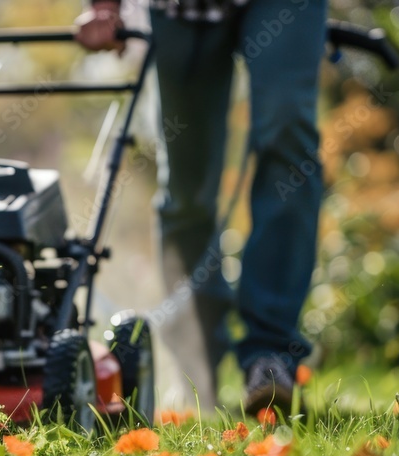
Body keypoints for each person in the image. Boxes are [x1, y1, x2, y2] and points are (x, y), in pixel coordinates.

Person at [75, 0, 326, 415]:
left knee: (287, 133)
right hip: (181, 9)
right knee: (187, 188)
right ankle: (195, 362)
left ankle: (272, 354)